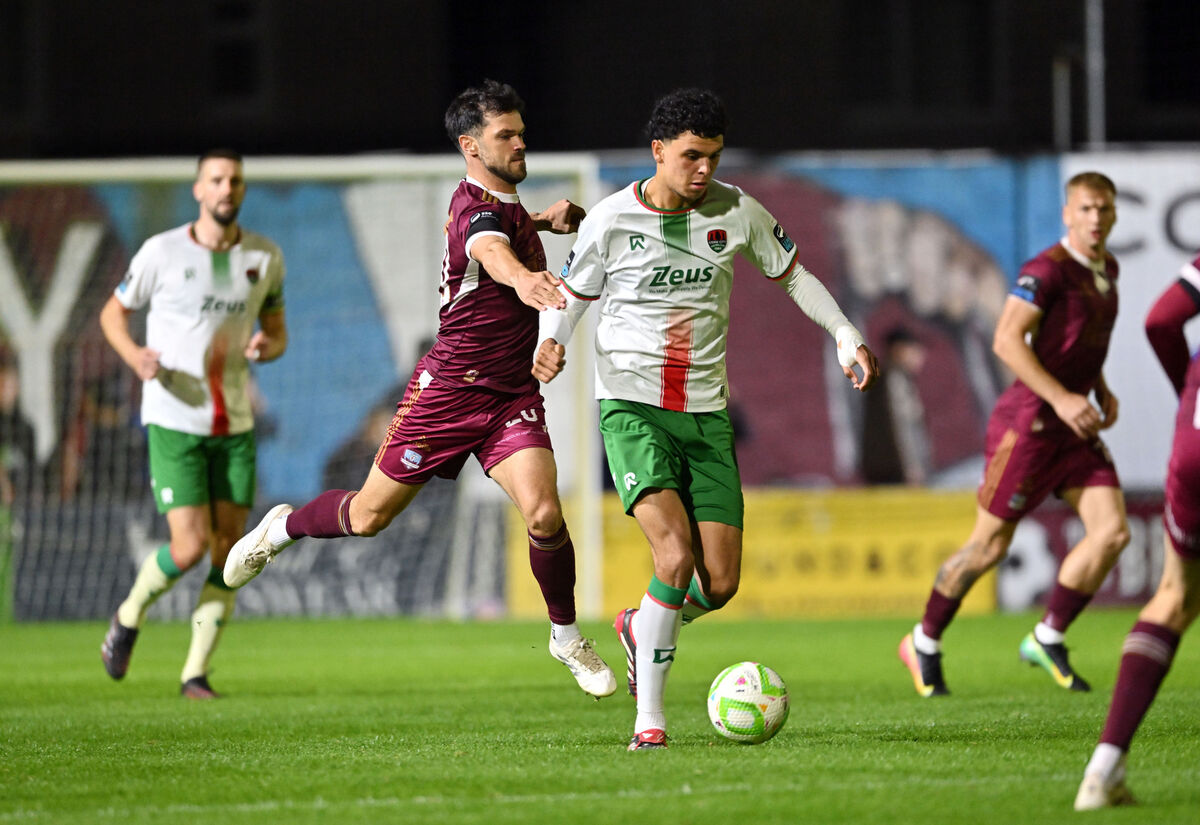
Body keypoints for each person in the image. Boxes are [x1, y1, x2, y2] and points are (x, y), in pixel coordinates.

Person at [222, 80, 616, 699]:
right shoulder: (476, 215)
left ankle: (566, 637)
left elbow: (501, 229)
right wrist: (525, 280)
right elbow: (489, 248)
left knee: (544, 511)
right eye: (504, 136)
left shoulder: (501, 205)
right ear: (470, 145)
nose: (520, 143)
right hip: (447, 393)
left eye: (520, 131)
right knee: (367, 516)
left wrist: (542, 219)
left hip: (510, 395)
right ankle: (282, 529)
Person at [533, 88, 878, 750]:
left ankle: (644, 625)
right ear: (658, 151)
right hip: (632, 410)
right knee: (674, 551)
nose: (704, 171)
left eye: (713, 157)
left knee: (717, 583)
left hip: (707, 415)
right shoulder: (608, 219)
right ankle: (650, 721)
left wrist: (843, 333)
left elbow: (795, 276)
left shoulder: (737, 211)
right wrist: (552, 340)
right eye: (691, 156)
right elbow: (572, 296)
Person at [898, 171, 1128, 697]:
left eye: (1106, 210)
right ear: (1068, 213)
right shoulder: (1045, 271)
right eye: (1087, 209)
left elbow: (1081, 343)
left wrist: (1099, 386)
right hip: (1027, 428)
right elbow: (1006, 340)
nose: (1096, 219)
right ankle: (924, 640)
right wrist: (1065, 397)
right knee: (987, 549)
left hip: (1074, 428)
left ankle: (1048, 636)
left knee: (1112, 533)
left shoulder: (1107, 269)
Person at [98, 148, 288, 699]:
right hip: (174, 418)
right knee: (187, 547)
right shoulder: (162, 252)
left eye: (234, 179)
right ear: (198, 191)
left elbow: (278, 333)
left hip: (234, 423)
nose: (226, 187)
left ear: (243, 189)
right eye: (215, 180)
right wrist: (136, 356)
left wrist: (266, 345)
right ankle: (129, 616)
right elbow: (113, 313)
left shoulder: (265, 257)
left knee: (229, 552)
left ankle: (195, 674)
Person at [1074, 256, 1200, 809]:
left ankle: (1103, 770)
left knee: (1175, 596)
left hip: (1195, 443)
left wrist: (1189, 398)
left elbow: (1160, 321)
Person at [860, 326, 932, 485]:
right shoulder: (894, 380)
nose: (920, 357)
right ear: (898, 350)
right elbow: (899, 426)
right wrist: (911, 467)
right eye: (914, 350)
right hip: (894, 471)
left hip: (888, 469)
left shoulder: (892, 378)